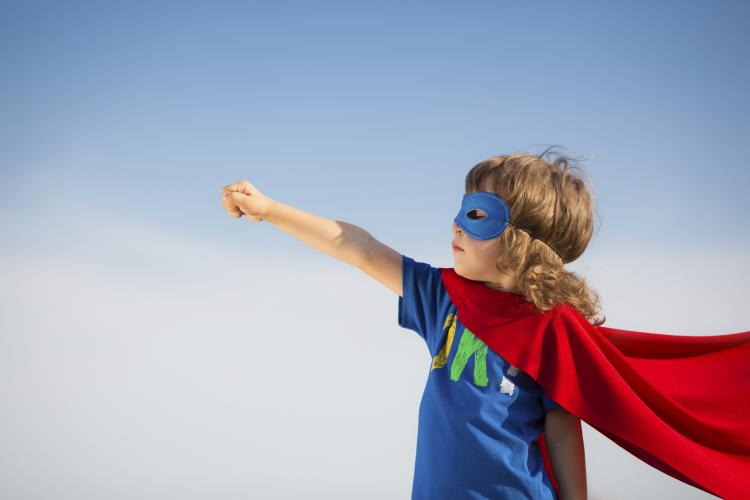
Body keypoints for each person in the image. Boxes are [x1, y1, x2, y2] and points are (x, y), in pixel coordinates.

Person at [221, 147, 750, 500]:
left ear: (519, 239)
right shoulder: (442, 298)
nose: (455, 223)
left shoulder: (551, 329)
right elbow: (357, 249)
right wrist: (270, 209)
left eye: (476, 215)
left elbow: (563, 431)